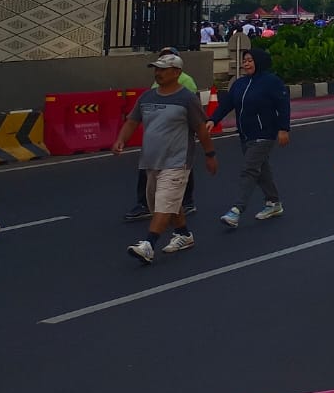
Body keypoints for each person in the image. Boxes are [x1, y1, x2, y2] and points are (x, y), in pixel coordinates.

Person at [114, 53, 218, 263]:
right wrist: (121, 140)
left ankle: (148, 245)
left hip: (178, 161)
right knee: (165, 203)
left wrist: (210, 154)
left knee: (164, 203)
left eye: (163, 69)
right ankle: (183, 234)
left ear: (177, 72)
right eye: (156, 69)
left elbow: (201, 129)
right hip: (151, 161)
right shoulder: (147, 97)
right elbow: (132, 121)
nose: (158, 73)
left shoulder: (187, 99)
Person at [212, 47, 291, 229]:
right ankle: (274, 203)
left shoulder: (272, 82)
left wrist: (283, 129)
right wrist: (213, 120)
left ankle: (236, 210)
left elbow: (283, 105)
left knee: (249, 169)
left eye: (250, 60)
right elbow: (227, 104)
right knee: (262, 170)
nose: (246, 63)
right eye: (245, 60)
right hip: (246, 134)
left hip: (265, 134)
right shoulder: (240, 84)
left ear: (259, 62)